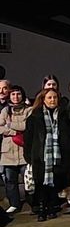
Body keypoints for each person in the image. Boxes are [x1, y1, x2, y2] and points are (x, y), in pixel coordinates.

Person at [24, 88, 70, 222]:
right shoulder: (35, 117)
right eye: (49, 98)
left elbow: (67, 137)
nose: (52, 100)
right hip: (40, 157)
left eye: (55, 98)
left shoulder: (63, 116)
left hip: (58, 156)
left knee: (55, 183)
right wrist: (29, 157)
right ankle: (41, 210)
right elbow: (28, 139)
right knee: (40, 184)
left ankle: (52, 208)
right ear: (43, 100)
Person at [0, 85, 33, 213]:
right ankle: (14, 204)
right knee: (10, 181)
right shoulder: (5, 111)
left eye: (18, 94)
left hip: (23, 150)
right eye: (13, 94)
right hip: (8, 151)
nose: (15, 97)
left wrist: (10, 125)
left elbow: (27, 126)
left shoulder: (29, 110)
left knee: (28, 180)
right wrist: (14, 132)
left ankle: (31, 203)